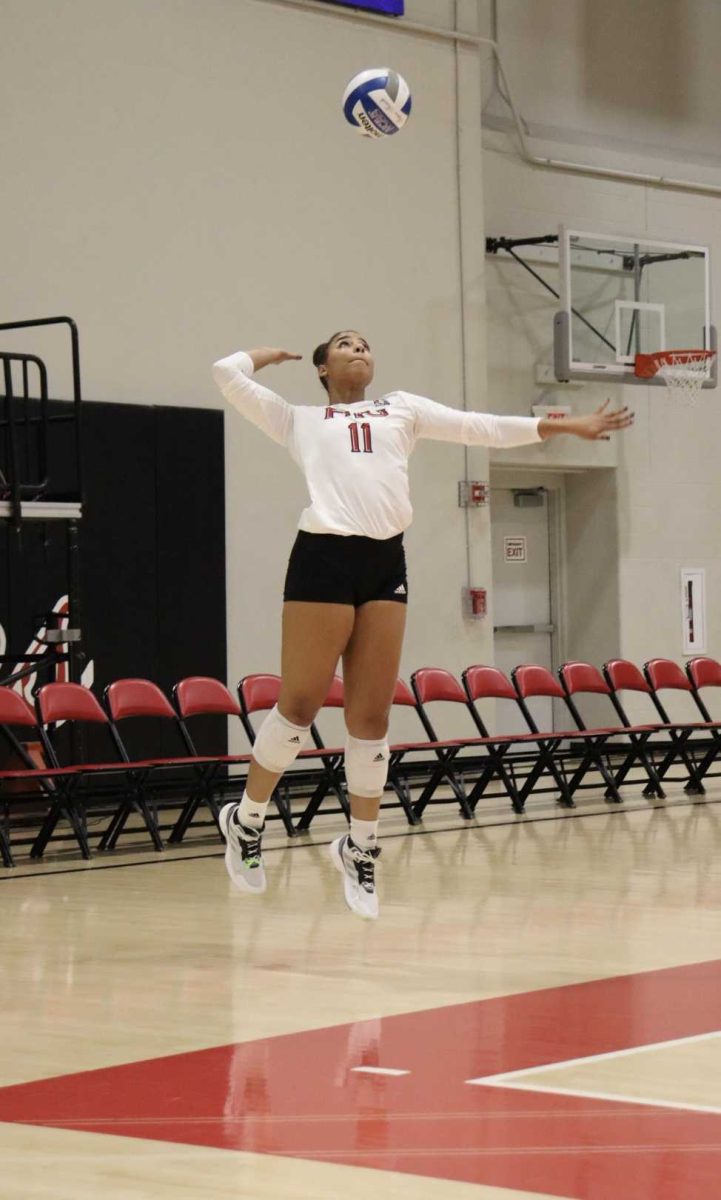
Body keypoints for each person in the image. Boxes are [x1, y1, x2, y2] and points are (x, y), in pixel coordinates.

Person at [212, 331, 633, 919]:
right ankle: (248, 819)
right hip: (323, 557)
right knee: (302, 704)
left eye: (365, 344)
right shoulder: (297, 418)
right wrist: (267, 355)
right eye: (344, 345)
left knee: (371, 716)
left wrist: (562, 428)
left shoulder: (402, 409)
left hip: (385, 560)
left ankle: (360, 847)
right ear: (321, 367)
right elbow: (226, 374)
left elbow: (478, 426)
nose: (359, 349)